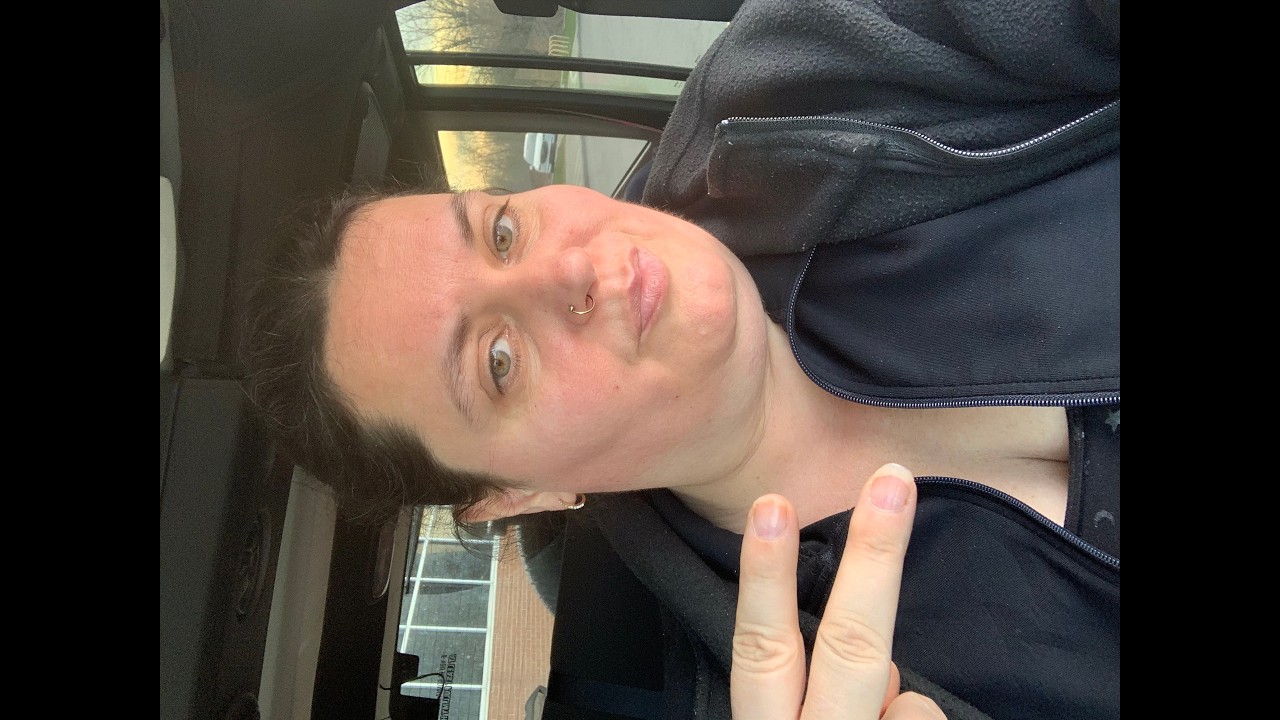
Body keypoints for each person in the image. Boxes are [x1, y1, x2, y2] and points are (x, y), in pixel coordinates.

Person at [241, 0, 1119, 718]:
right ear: (519, 493)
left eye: (503, 231)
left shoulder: (798, 80)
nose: (567, 271)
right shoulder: (737, 695)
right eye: (498, 360)